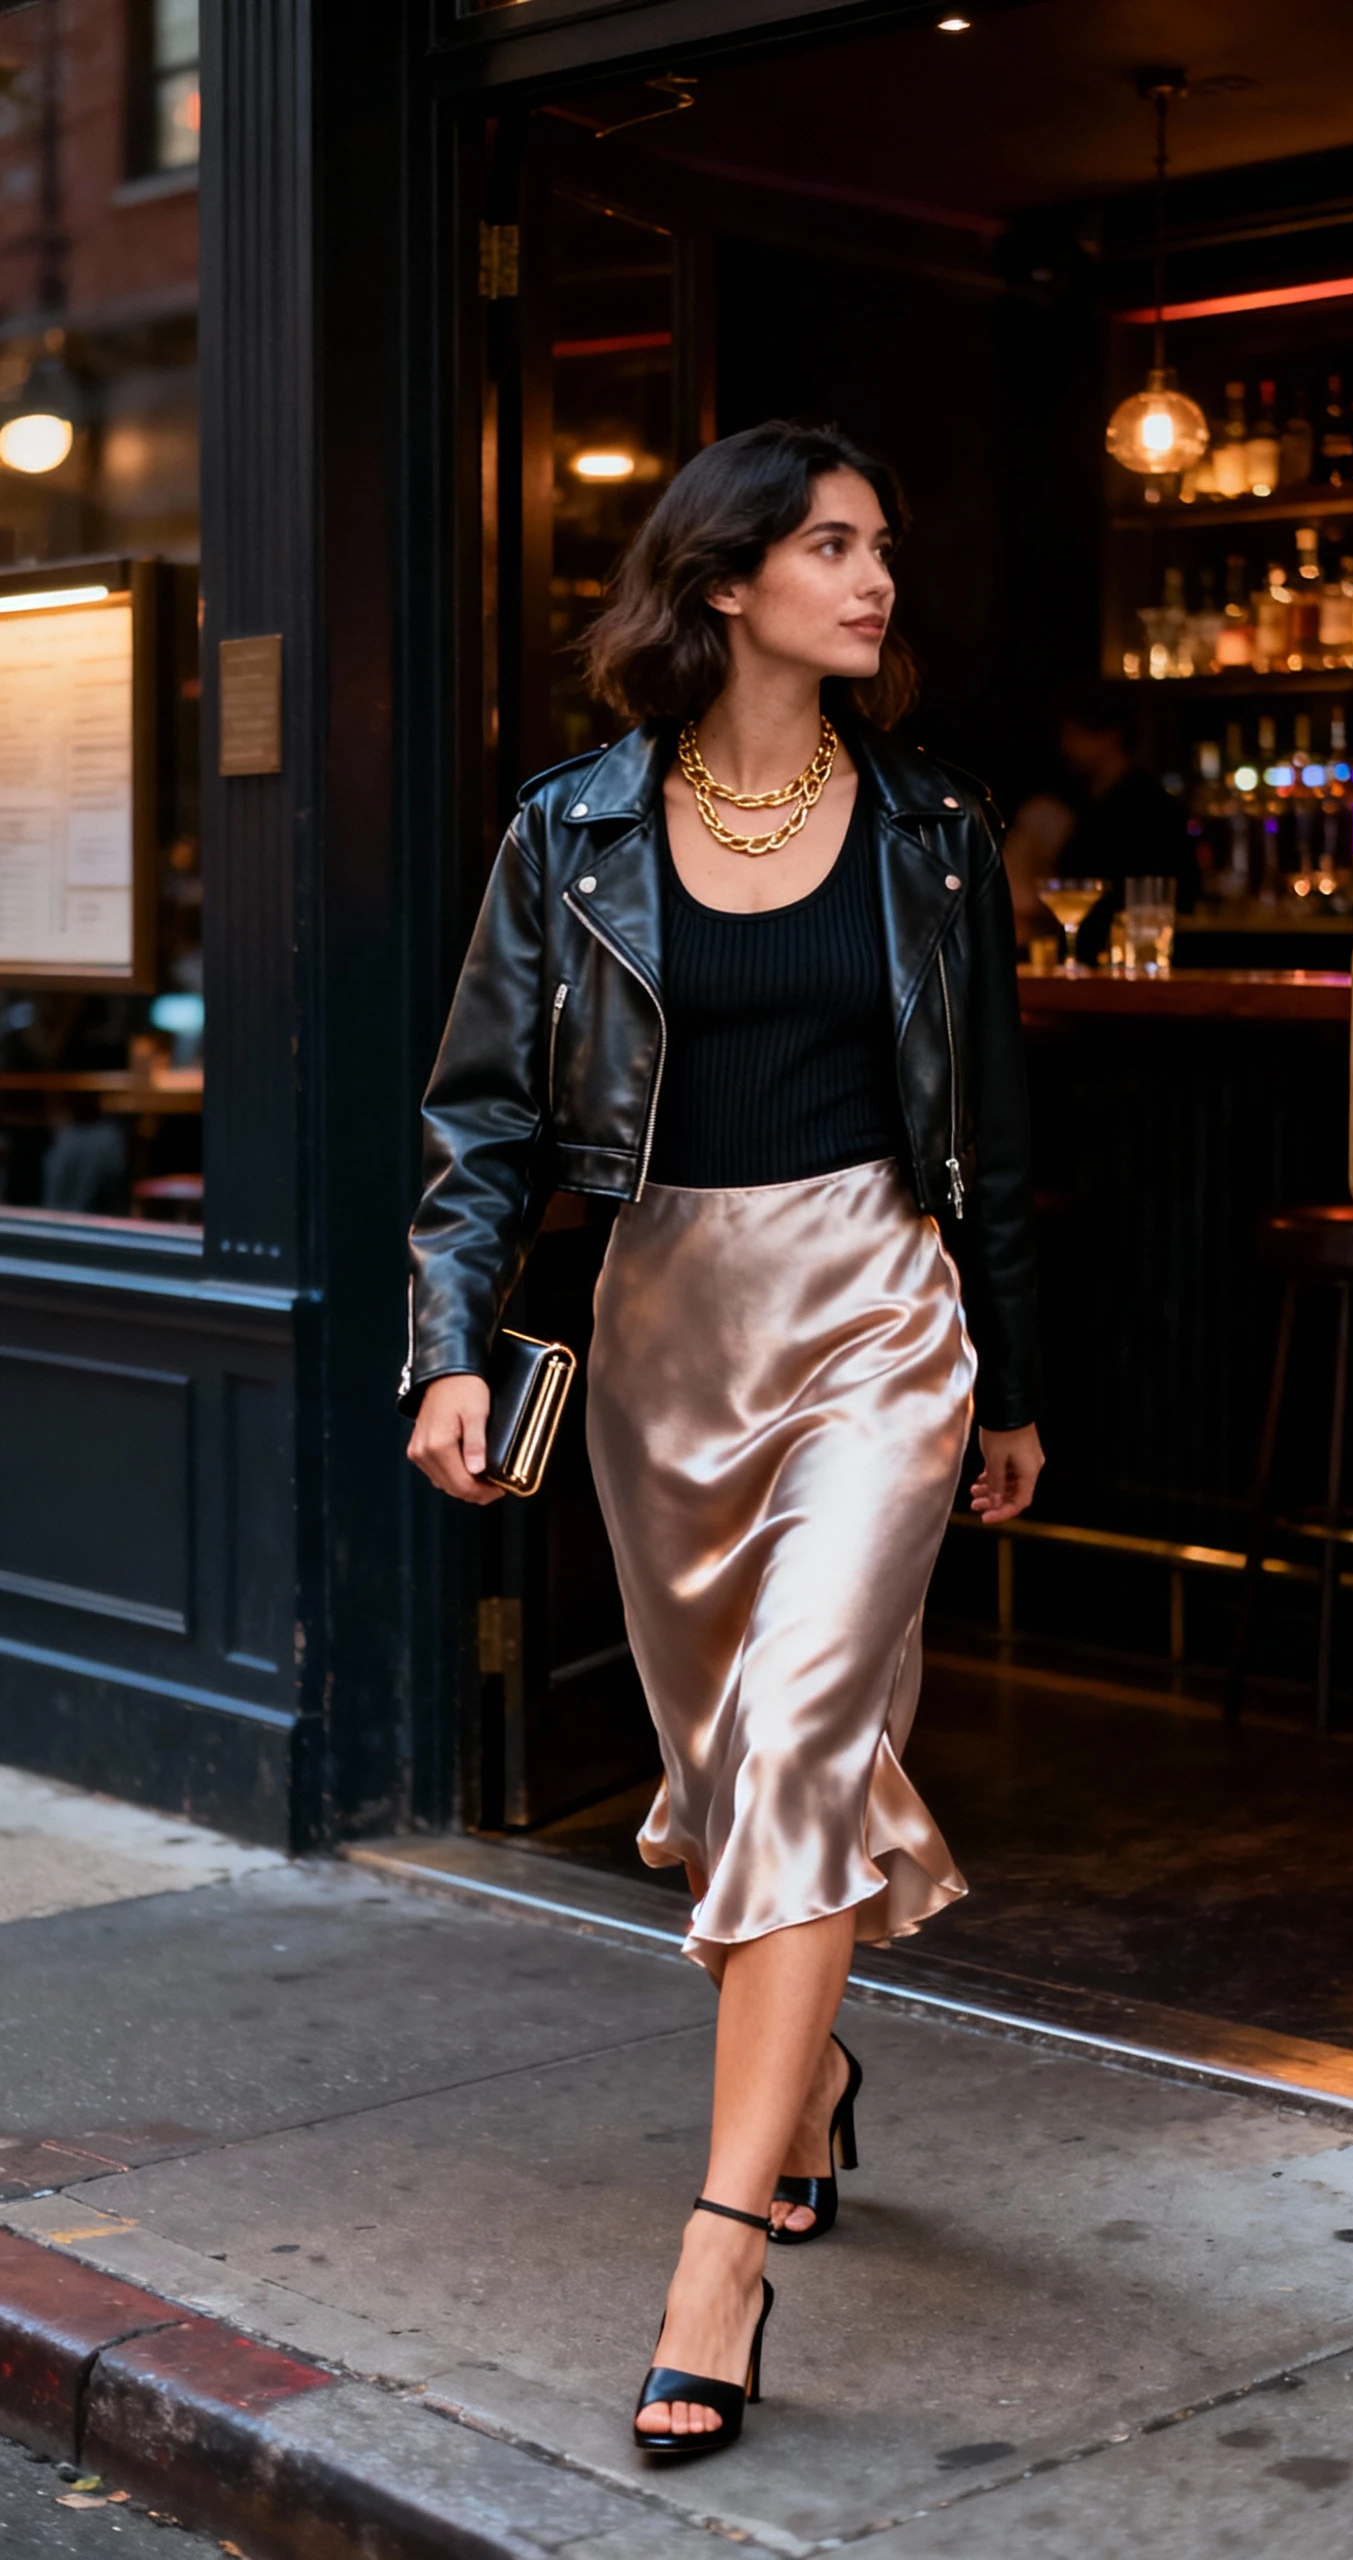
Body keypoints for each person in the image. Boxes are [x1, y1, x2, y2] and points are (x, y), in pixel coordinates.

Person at [401, 420, 1043, 2460]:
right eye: (831, 545)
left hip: (879, 1309)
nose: (874, 579)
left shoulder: (932, 829)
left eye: (881, 546)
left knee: (796, 1737)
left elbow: (993, 1133)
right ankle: (813, 2082)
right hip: (665, 1327)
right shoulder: (570, 829)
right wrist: (449, 1351)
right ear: (725, 578)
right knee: (719, 1765)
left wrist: (1010, 1380)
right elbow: (480, 1120)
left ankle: (718, 2252)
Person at [1004, 683, 1196, 962]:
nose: (1066, 746)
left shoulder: (1144, 806)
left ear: (1110, 737)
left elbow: (1153, 890)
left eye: (1076, 735)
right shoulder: (1087, 803)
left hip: (1127, 958)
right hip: (1094, 960)